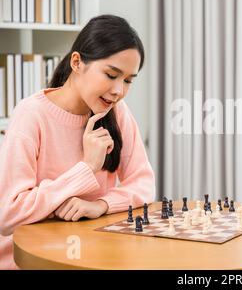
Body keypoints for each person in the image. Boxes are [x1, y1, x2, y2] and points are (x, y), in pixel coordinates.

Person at [0, 15, 156, 269]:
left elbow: (144, 183)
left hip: (91, 255)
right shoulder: (31, 115)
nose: (119, 90)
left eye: (128, 80)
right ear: (77, 62)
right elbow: (8, 214)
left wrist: (100, 205)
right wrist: (86, 168)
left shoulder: (117, 112)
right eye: (111, 74)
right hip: (31, 261)